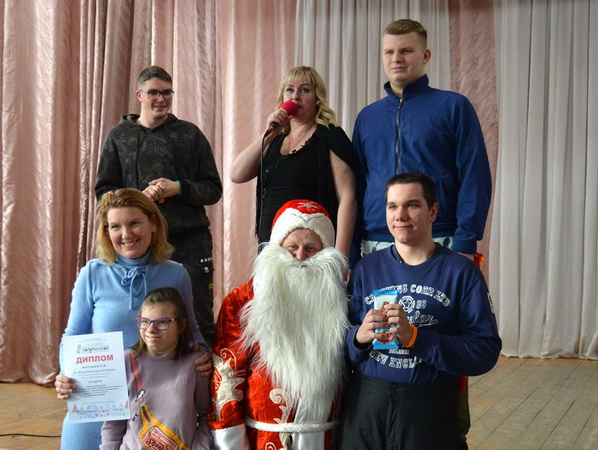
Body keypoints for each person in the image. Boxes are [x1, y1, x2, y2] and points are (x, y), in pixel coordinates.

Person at [337, 173, 501, 450]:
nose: (400, 215)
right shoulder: (366, 268)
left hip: (429, 411)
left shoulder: (461, 272)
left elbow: (484, 352)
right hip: (365, 408)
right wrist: (358, 337)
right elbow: (338, 346)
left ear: (432, 211)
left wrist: (416, 338)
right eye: (393, 206)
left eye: (412, 205)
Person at [55, 188, 212, 450]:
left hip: (153, 404)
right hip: (100, 398)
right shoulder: (91, 274)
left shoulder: (176, 274)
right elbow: (73, 335)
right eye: (115, 226)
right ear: (107, 231)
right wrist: (65, 374)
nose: (126, 234)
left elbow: (191, 329)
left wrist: (203, 354)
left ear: (153, 223)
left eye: (134, 223)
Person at [208, 199, 350, 449]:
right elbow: (227, 379)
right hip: (263, 438)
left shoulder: (343, 300)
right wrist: (230, 443)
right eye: (291, 247)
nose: (300, 256)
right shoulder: (242, 300)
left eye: (311, 249)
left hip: (327, 437)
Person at [95, 65, 222, 344]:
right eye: (153, 93)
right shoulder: (119, 136)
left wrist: (179, 188)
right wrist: (137, 198)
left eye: (167, 93)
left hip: (190, 241)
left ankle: (202, 371)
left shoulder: (190, 134)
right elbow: (103, 192)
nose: (161, 99)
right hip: (138, 243)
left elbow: (213, 189)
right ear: (139, 95)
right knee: (142, 317)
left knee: (198, 317)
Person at [351, 19, 491, 264]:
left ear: (425, 55)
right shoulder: (367, 117)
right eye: (389, 52)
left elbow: (474, 177)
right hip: (376, 242)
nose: (396, 59)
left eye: (406, 51)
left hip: (441, 237)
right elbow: (356, 185)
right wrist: (353, 250)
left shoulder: (454, 107)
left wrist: (466, 241)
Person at [230, 66, 356, 257]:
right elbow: (236, 174)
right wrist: (269, 134)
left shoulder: (330, 137)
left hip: (309, 249)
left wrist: (340, 257)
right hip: (273, 248)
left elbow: (348, 198)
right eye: (289, 90)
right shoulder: (275, 140)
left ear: (317, 98)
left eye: (304, 90)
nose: (295, 97)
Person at [100, 287, 213, 449]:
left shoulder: (196, 364)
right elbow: (113, 424)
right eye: (145, 321)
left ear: (181, 326)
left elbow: (207, 416)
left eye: (162, 322)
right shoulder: (125, 362)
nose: (151, 330)